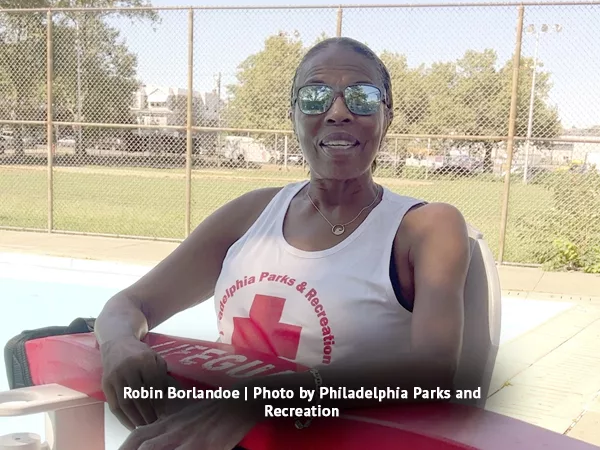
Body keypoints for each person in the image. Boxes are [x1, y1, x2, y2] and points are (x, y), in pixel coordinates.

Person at [95, 37, 471, 450]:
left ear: (387, 116)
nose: (339, 112)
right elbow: (129, 306)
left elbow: (433, 372)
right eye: (315, 97)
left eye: (362, 97)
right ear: (293, 114)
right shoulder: (251, 213)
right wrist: (119, 345)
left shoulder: (426, 227)